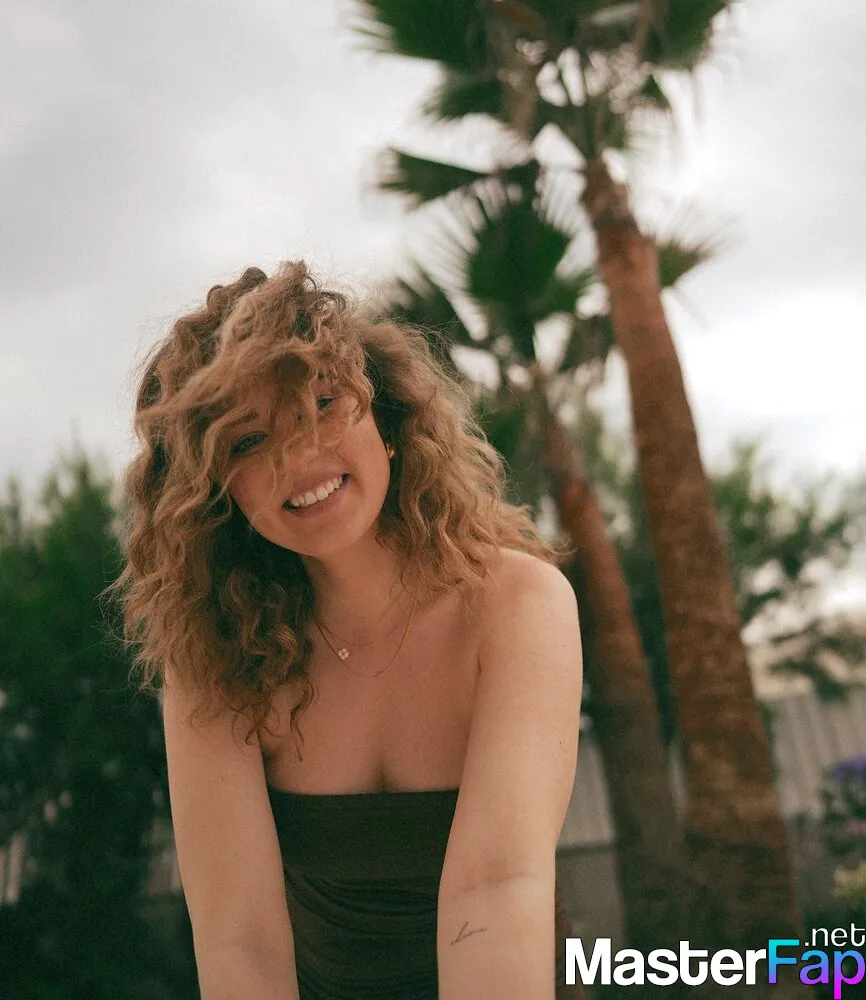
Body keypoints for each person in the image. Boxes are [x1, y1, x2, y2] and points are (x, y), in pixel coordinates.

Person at [116, 261, 585, 999]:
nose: (298, 458)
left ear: (387, 420)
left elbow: (496, 888)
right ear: (215, 493)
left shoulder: (519, 604)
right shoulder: (214, 657)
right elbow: (241, 940)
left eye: (324, 404)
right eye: (246, 443)